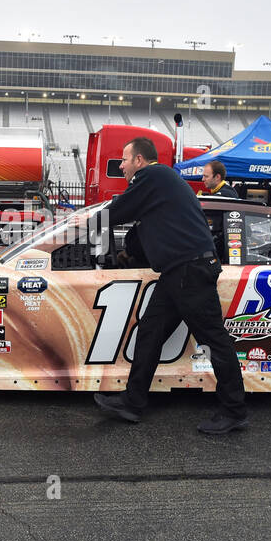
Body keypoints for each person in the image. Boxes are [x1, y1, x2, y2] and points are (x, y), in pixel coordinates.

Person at [95, 137, 248, 435]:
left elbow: (115, 213)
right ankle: (132, 402)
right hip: (179, 272)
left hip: (189, 271)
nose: (122, 166)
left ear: (139, 161)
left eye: (124, 160)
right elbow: (142, 232)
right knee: (150, 332)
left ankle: (234, 411)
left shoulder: (152, 175)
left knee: (215, 342)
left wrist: (85, 223)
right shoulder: (159, 184)